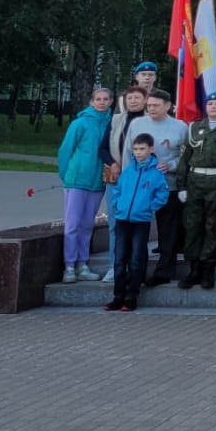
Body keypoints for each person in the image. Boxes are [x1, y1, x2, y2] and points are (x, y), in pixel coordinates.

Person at [175, 92, 216, 291]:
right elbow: (185, 158)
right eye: (210, 103)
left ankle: (208, 270)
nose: (213, 107)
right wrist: (182, 186)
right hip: (195, 181)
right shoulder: (195, 127)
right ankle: (193, 269)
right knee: (193, 226)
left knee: (214, 227)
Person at [104, 133, 168, 311]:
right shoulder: (128, 171)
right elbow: (118, 190)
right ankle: (118, 295)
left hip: (141, 220)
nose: (139, 153)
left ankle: (132, 296)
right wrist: (117, 205)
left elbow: (162, 194)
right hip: (122, 219)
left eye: (142, 149)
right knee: (119, 259)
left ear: (151, 149)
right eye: (136, 149)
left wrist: (149, 207)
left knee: (136, 259)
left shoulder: (156, 174)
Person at [131, 90, 189, 287]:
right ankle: (134, 270)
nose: (151, 109)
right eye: (149, 105)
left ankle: (164, 270)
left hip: (167, 185)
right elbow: (127, 153)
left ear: (168, 106)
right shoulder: (137, 124)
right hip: (140, 186)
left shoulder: (180, 127)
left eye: (156, 105)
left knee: (168, 230)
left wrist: (171, 165)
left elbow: (186, 156)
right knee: (137, 228)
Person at [57, 87, 113, 283]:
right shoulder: (80, 123)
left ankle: (83, 264)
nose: (102, 102)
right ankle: (69, 266)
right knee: (72, 225)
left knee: (87, 225)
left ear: (110, 102)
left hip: (97, 182)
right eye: (98, 99)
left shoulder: (112, 123)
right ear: (91, 102)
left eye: (106, 99)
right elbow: (65, 149)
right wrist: (65, 175)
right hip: (76, 181)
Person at [99, 84, 148, 285]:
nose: (133, 101)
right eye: (130, 98)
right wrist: (112, 163)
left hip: (140, 181)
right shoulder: (116, 119)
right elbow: (102, 148)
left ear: (145, 100)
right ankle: (114, 266)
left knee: (138, 226)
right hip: (116, 179)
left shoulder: (149, 121)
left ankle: (136, 269)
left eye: (137, 98)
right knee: (115, 224)